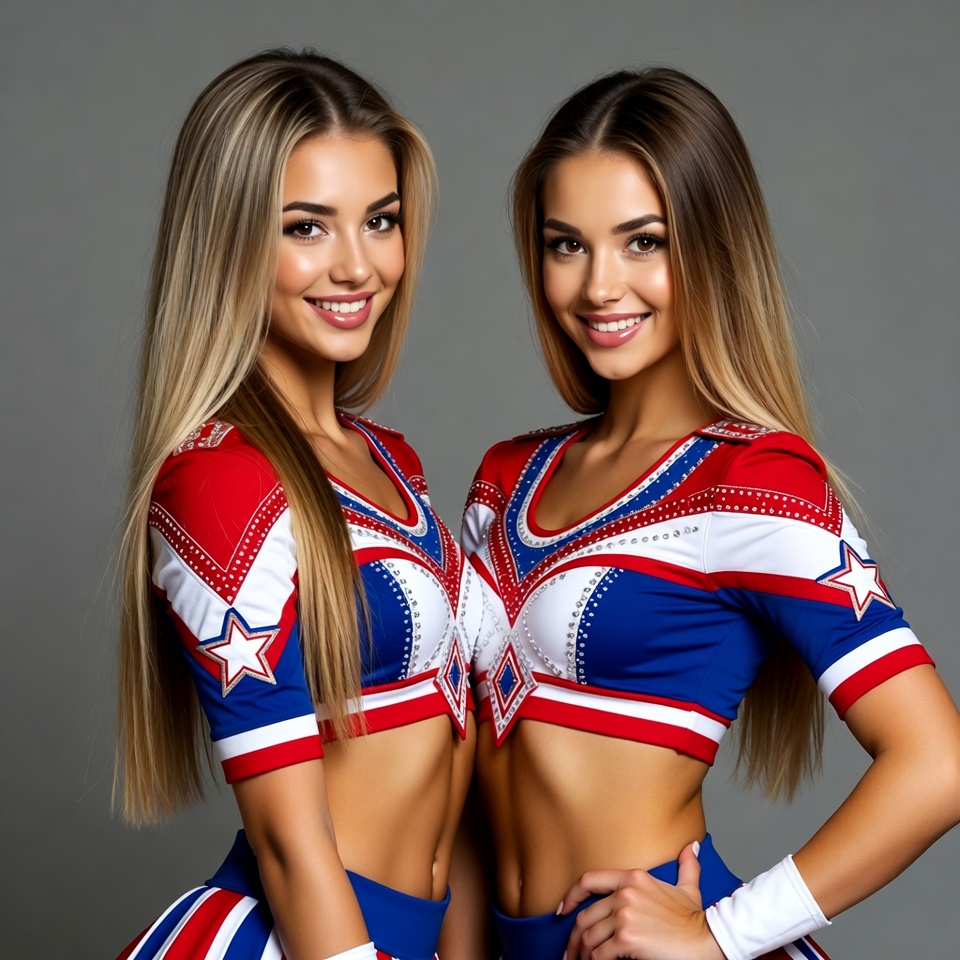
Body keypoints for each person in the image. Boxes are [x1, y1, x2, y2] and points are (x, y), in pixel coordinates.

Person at [461, 67, 960, 960]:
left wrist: (721, 937)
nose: (599, 287)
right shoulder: (506, 478)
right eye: (566, 244)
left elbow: (939, 765)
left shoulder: (755, 480)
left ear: (712, 246)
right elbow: (465, 780)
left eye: (642, 241)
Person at [114, 49, 478, 960]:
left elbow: (457, 769)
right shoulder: (218, 479)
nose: (357, 266)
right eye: (307, 228)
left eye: (381, 221)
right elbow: (287, 842)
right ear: (232, 240)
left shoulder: (389, 461)